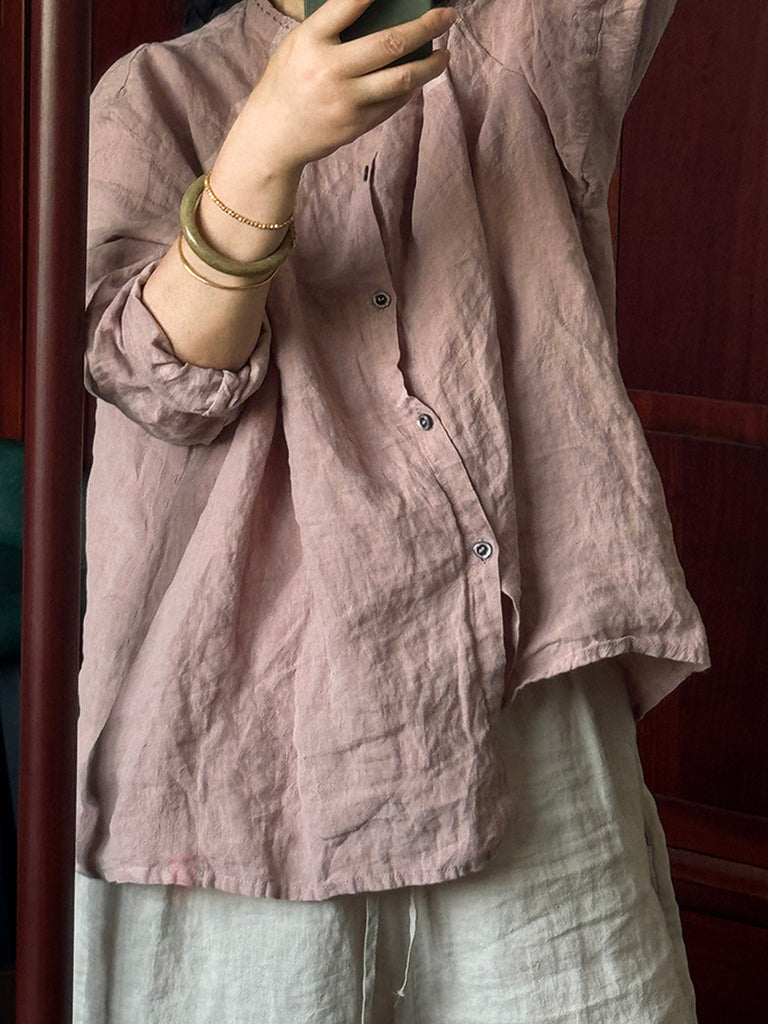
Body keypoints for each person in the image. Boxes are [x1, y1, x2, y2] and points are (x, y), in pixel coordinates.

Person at [73, 1, 711, 1020]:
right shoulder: (156, 94)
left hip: (519, 679)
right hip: (238, 724)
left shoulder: (520, 44)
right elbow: (159, 383)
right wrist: (263, 149)